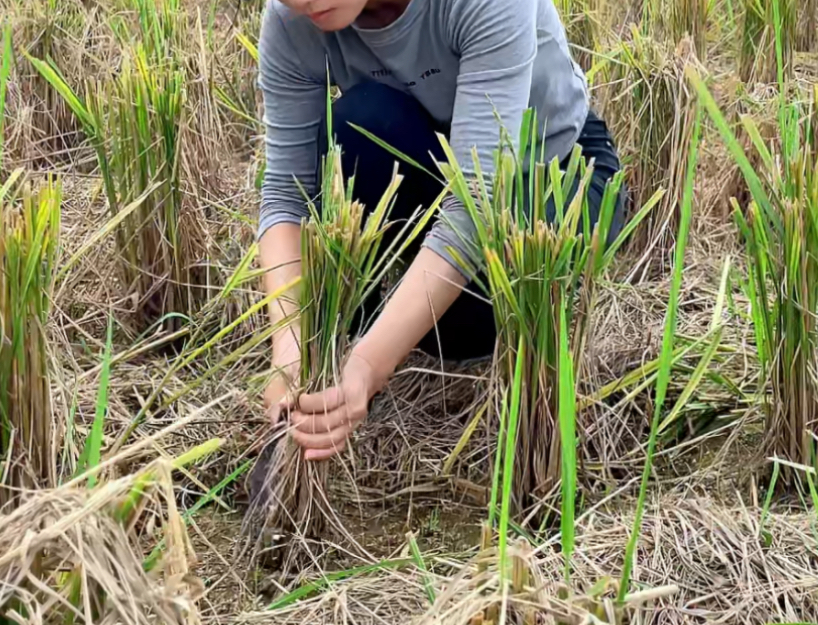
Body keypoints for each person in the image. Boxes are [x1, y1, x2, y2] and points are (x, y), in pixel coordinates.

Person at [257, 0, 624, 461]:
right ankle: (381, 322)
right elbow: (287, 196)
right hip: (429, 157)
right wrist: (290, 349)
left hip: (551, 171)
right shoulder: (290, 22)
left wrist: (370, 366)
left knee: (491, 321)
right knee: (355, 127)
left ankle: (392, 324)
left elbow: (474, 207)